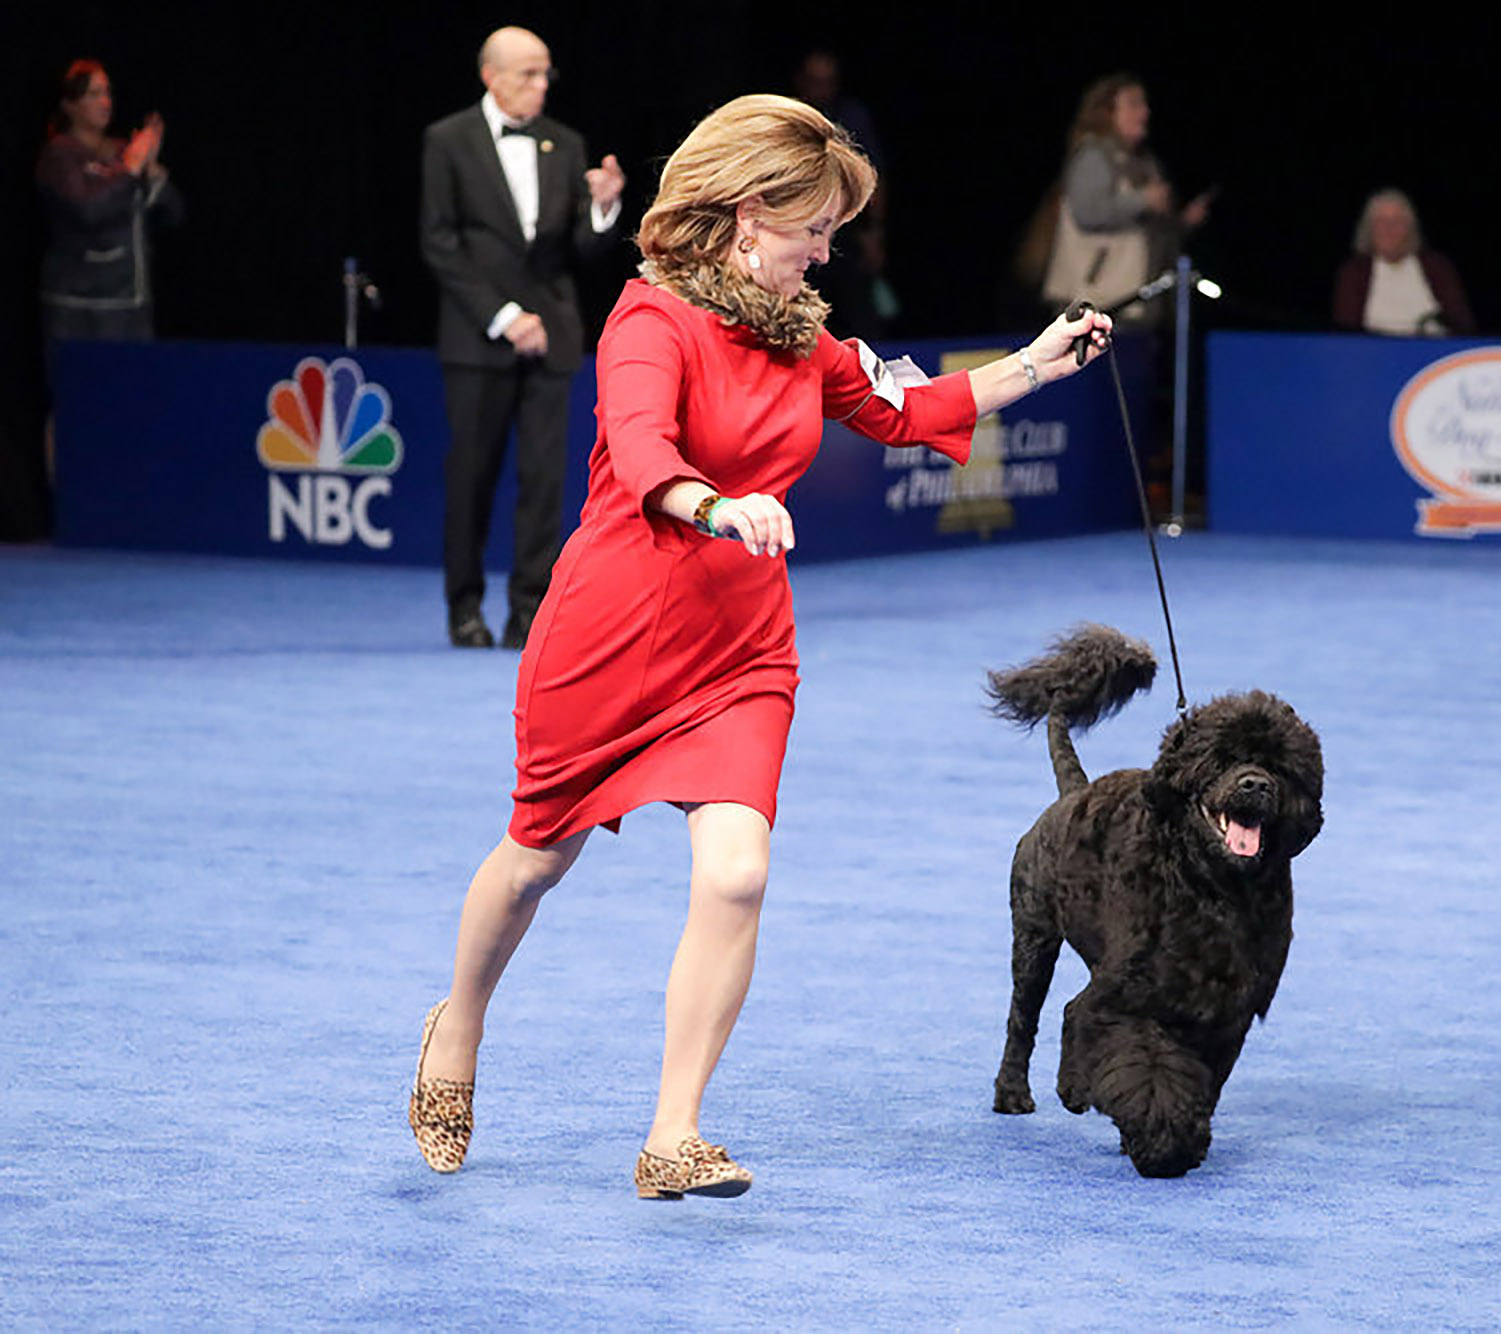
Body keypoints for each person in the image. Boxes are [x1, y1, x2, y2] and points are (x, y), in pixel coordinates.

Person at [406, 93, 1114, 1198]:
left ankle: (672, 1134)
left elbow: (903, 411)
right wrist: (715, 504)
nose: (828, 250)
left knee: (735, 874)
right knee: (538, 857)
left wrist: (1039, 359)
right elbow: (639, 446)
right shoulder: (650, 320)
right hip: (614, 635)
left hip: (740, 649)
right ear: (746, 218)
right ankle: (458, 1025)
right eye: (815, 229)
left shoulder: (802, 339)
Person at [420, 26, 626, 650]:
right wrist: (506, 316)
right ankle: (464, 608)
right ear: (491, 75)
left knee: (543, 483)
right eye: (527, 75)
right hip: (479, 340)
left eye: (545, 75)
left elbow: (581, 251)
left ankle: (529, 612)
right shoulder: (447, 139)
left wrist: (604, 209)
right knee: (472, 478)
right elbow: (440, 241)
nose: (540, 86)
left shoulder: (563, 143)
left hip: (553, 339)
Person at [1040, 73, 1210, 325]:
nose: (1144, 111)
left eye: (1144, 104)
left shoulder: (1145, 162)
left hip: (1139, 302)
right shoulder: (1094, 156)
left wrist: (1183, 223)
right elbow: (1088, 213)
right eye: (1133, 104)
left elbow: (1148, 234)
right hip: (1097, 302)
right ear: (1107, 112)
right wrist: (1143, 200)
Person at [36, 59, 182, 347]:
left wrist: (152, 172)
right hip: (83, 307)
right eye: (93, 94)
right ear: (69, 103)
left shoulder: (122, 151)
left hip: (132, 303)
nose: (105, 101)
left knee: (136, 388)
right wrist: (130, 169)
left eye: (107, 92)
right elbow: (88, 209)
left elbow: (173, 214)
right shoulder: (60, 155)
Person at [790, 49, 894, 342]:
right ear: (800, 81)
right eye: (815, 81)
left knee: (860, 315)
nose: (822, 90)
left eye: (829, 82)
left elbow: (876, 178)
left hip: (850, 237)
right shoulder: (787, 121)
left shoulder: (852, 116)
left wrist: (875, 234)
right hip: (796, 233)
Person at [1332, 189, 1475, 336]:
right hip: (1374, 351)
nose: (1389, 229)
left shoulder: (1437, 266)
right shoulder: (1353, 272)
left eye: (1397, 221)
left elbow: (1461, 322)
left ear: (1410, 228)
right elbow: (1346, 329)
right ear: (1369, 228)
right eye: (1381, 221)